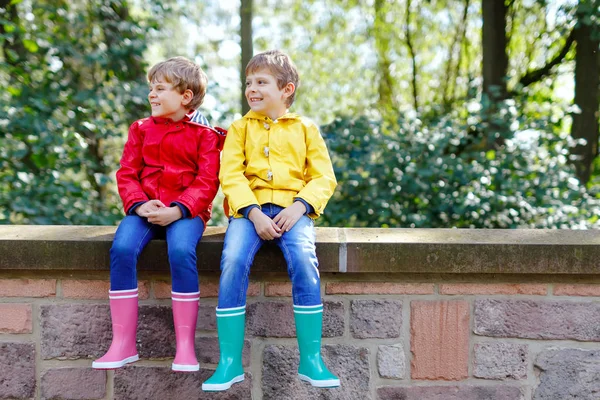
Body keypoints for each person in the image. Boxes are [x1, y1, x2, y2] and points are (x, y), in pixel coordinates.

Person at [202, 50, 339, 391]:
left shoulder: (306, 129)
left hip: (294, 212)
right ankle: (229, 363)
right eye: (249, 82)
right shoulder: (239, 129)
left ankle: (312, 360)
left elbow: (324, 177)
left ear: (286, 89)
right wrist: (252, 212)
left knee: (305, 261)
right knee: (232, 259)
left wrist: (300, 206)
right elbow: (230, 175)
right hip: (250, 213)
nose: (252, 89)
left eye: (261, 82)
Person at [92, 56, 223, 372]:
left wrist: (179, 209)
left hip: (186, 212)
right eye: (151, 87)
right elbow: (126, 172)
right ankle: (123, 345)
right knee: (122, 248)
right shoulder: (140, 129)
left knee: (180, 251)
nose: (152, 94)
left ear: (185, 96)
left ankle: (185, 348)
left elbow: (208, 179)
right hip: (145, 209)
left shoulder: (206, 135)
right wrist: (139, 204)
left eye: (160, 88)